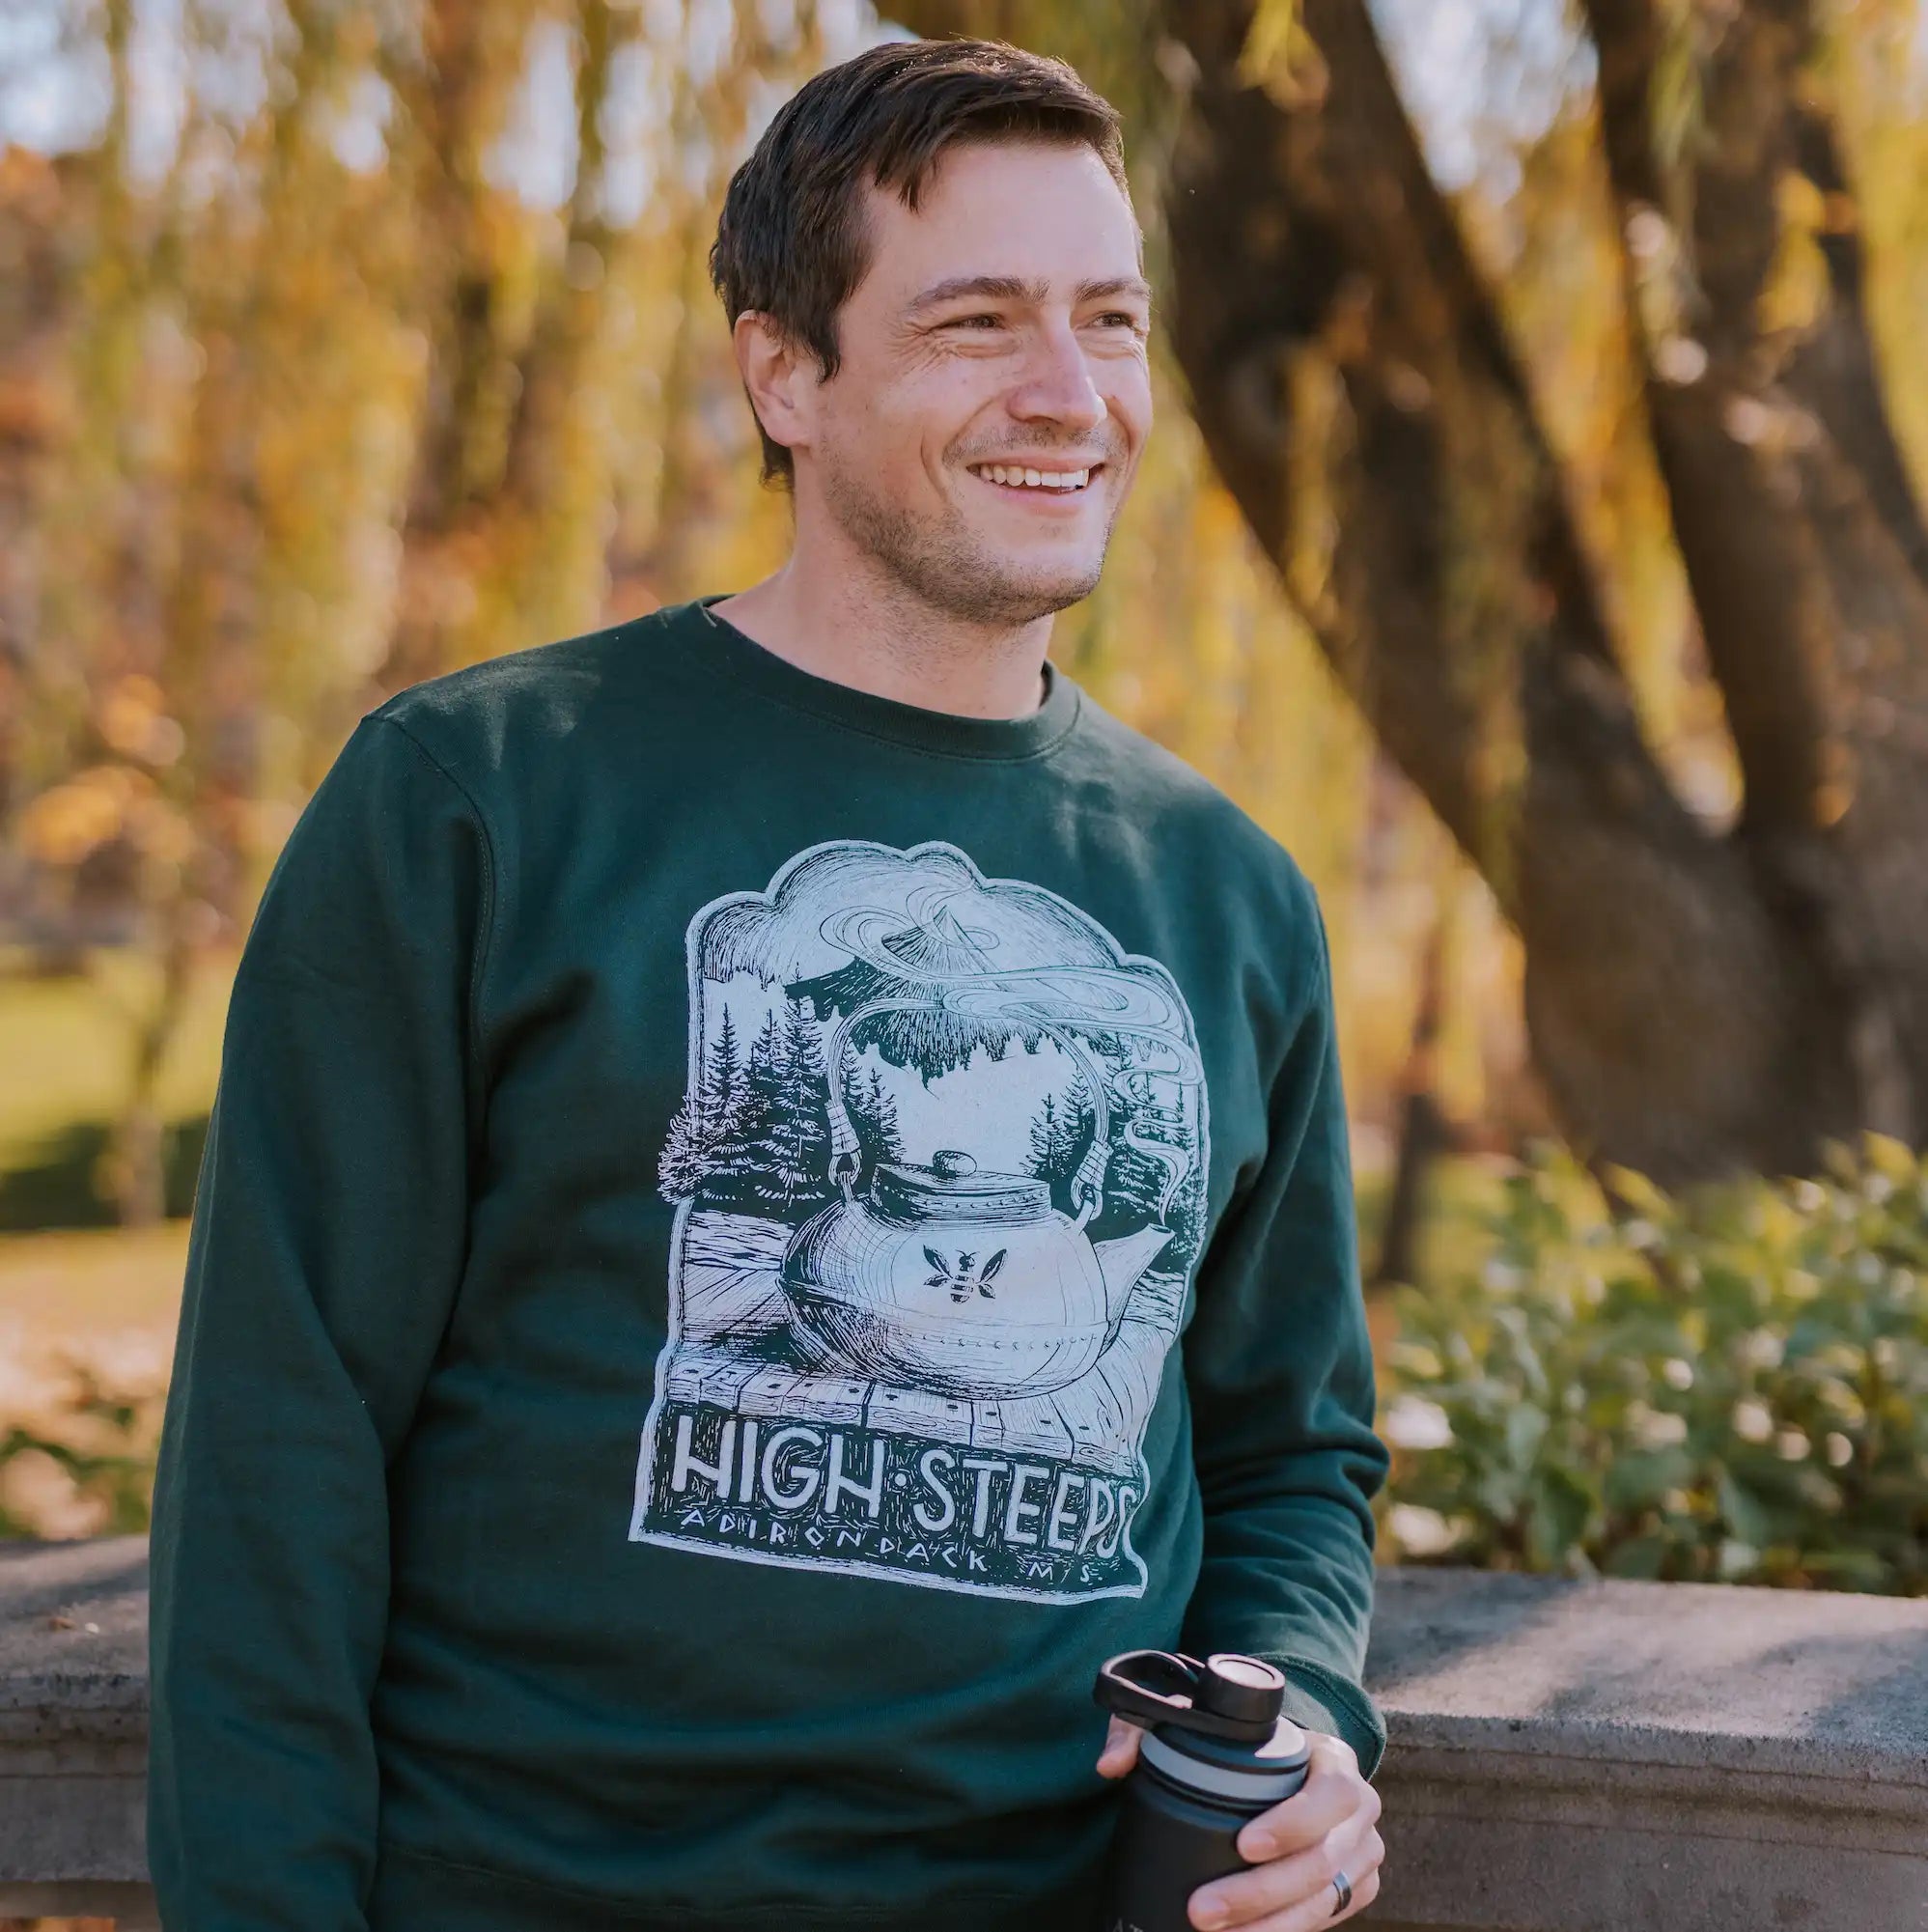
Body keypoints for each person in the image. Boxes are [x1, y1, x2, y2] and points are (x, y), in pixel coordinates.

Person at [147, 36, 1389, 1932]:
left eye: (1111, 320)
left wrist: (1298, 1704)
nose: (1074, 397)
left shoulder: (1229, 892)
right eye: (978, 322)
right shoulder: (477, 798)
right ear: (782, 370)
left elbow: (1289, 1446)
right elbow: (276, 1452)